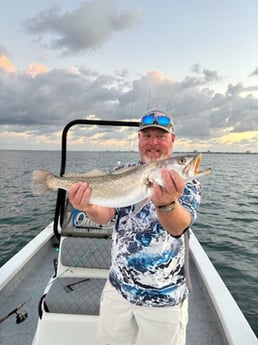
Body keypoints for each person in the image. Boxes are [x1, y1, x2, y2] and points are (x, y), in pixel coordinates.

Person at [68, 109, 201, 345]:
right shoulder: (123, 172)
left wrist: (168, 203)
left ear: (172, 139)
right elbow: (105, 214)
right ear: (139, 140)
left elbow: (179, 226)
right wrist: (88, 206)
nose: (153, 142)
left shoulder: (185, 182)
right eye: (146, 135)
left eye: (160, 136)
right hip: (118, 290)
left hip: (163, 300)